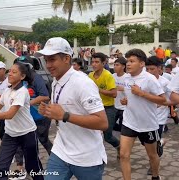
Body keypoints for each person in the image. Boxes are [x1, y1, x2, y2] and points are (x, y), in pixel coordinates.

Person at [35, 37, 108, 180]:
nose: (48, 65)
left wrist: (65, 116)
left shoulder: (83, 83)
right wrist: (49, 112)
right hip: (61, 151)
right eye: (46, 60)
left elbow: (102, 123)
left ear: (66, 58)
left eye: (52, 59)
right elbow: (62, 109)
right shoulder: (56, 80)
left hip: (87, 157)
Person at [0, 62, 44, 180]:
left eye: (14, 72)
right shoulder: (7, 91)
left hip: (27, 134)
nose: (10, 74)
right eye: (9, 71)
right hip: (10, 134)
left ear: (22, 76)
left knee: (32, 167)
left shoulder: (22, 92)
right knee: (0, 166)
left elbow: (9, 115)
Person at [119, 49, 166, 180]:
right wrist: (126, 101)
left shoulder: (149, 79)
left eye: (132, 61)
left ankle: (156, 176)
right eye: (127, 61)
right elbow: (130, 97)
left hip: (148, 124)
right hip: (129, 122)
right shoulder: (126, 78)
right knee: (123, 155)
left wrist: (142, 93)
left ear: (141, 64)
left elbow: (162, 100)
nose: (128, 64)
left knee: (152, 155)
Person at [11, 56, 53, 179]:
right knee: (23, 142)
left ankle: (58, 161)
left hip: (40, 117)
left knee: (43, 140)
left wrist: (27, 103)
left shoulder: (36, 78)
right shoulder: (19, 80)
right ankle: (22, 168)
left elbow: (45, 96)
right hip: (25, 119)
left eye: (21, 66)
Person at [145, 56, 173, 175]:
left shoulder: (166, 83)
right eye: (147, 69)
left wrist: (163, 104)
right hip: (146, 116)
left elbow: (173, 99)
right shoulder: (144, 80)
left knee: (154, 146)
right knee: (147, 143)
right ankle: (161, 142)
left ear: (160, 68)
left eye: (152, 69)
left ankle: (153, 167)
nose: (149, 72)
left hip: (159, 118)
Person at [89, 52, 120, 157]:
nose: (94, 64)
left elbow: (114, 94)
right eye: (92, 62)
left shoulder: (108, 75)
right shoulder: (90, 75)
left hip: (108, 108)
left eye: (97, 62)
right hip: (93, 108)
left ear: (103, 63)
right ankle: (95, 155)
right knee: (92, 133)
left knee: (108, 136)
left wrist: (99, 90)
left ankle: (119, 146)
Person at [112, 57, 127, 131]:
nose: (115, 66)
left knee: (123, 128)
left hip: (124, 108)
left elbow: (133, 91)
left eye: (117, 65)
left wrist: (123, 88)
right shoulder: (112, 76)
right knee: (110, 125)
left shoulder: (127, 77)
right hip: (114, 106)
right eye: (114, 65)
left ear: (123, 66)